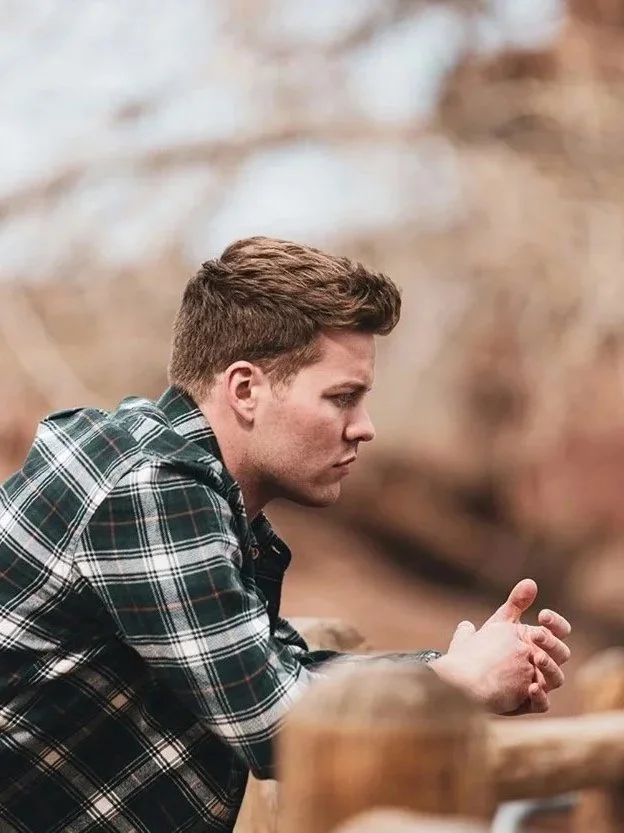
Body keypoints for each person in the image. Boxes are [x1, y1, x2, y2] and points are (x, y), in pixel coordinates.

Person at [0, 237, 570, 833]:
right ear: (245, 389)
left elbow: (275, 672)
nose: (365, 428)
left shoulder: (186, 481)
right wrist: (457, 686)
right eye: (341, 398)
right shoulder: (151, 489)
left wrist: (452, 666)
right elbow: (273, 725)